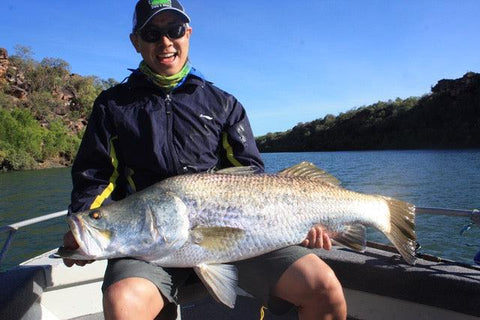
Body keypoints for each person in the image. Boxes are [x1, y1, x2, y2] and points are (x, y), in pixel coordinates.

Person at [62, 1, 347, 319]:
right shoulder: (112, 106)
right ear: (136, 42)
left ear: (188, 34)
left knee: (323, 287)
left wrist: (301, 222)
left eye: (175, 30)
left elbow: (251, 174)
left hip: (238, 236)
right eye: (152, 33)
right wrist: (85, 220)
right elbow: (97, 175)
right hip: (148, 245)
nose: (165, 41)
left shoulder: (224, 104)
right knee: (123, 303)